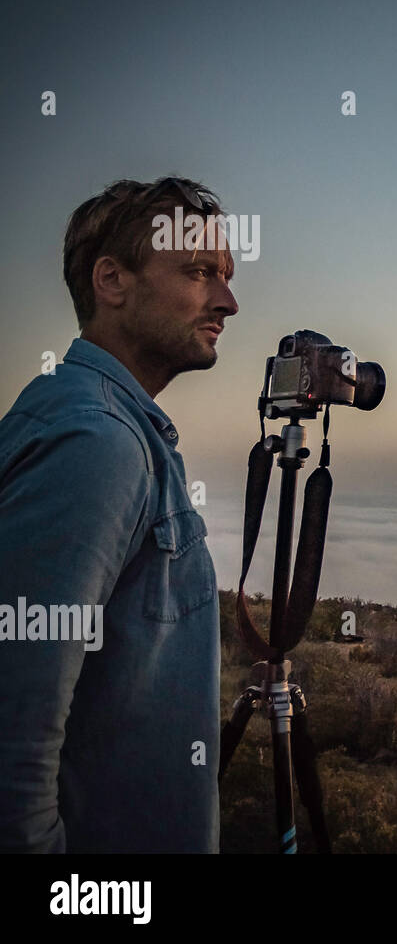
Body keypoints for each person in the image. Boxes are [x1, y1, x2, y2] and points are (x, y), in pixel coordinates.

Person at [0, 176, 239, 852]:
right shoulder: (96, 443)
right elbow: (13, 744)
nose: (229, 300)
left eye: (225, 275)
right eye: (199, 272)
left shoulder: (91, 419)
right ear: (112, 280)